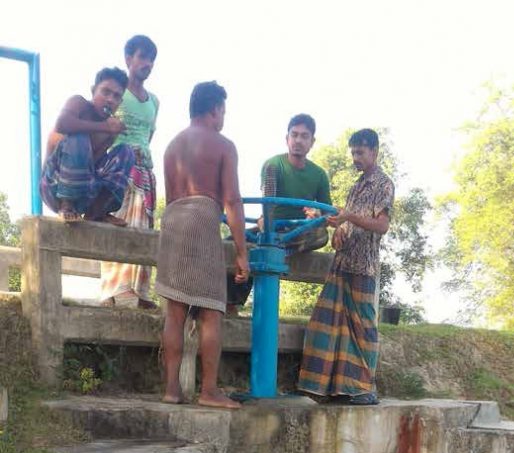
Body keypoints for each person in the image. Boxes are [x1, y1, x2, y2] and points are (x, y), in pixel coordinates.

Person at [156, 81, 249, 408]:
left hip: (172, 220)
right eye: (223, 110)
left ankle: (171, 389)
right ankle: (209, 391)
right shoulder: (223, 145)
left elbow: (171, 197)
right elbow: (232, 202)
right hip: (201, 218)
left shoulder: (172, 146)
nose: (224, 116)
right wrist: (241, 251)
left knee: (175, 310)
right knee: (210, 311)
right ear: (214, 110)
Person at [297, 129, 394, 406]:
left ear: (374, 151)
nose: (356, 158)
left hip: (363, 267)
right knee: (326, 325)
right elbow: (348, 221)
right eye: (353, 153)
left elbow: (382, 225)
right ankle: (323, 387)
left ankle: (362, 388)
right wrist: (337, 225)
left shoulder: (383, 184)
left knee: (362, 329)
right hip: (341, 264)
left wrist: (349, 217)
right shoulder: (356, 186)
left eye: (360, 153)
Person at [227, 113, 331, 312]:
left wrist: (316, 217)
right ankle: (230, 303)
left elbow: (328, 216)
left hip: (298, 232)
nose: (298, 140)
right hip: (272, 229)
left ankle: (280, 251)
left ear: (312, 142)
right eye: (295, 135)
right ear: (287, 138)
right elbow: (269, 204)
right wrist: (264, 222)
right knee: (231, 241)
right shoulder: (274, 166)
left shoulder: (318, 175)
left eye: (304, 136)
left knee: (321, 235)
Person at [101, 35, 160, 308]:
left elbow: (148, 136)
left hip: (145, 172)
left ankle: (139, 293)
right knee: (122, 223)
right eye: (142, 57)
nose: (146, 63)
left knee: (144, 226)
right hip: (119, 170)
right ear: (128, 59)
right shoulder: (115, 93)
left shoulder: (154, 102)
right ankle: (116, 291)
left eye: (151, 59)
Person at [40, 68, 134, 224]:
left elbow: (92, 165)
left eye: (116, 96)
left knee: (126, 152)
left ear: (120, 102)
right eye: (105, 92)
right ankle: (67, 205)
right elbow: (62, 124)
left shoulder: (111, 129)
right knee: (79, 137)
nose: (110, 99)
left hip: (83, 189)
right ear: (93, 91)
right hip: (54, 187)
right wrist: (104, 127)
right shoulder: (79, 104)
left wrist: (108, 130)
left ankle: (96, 212)